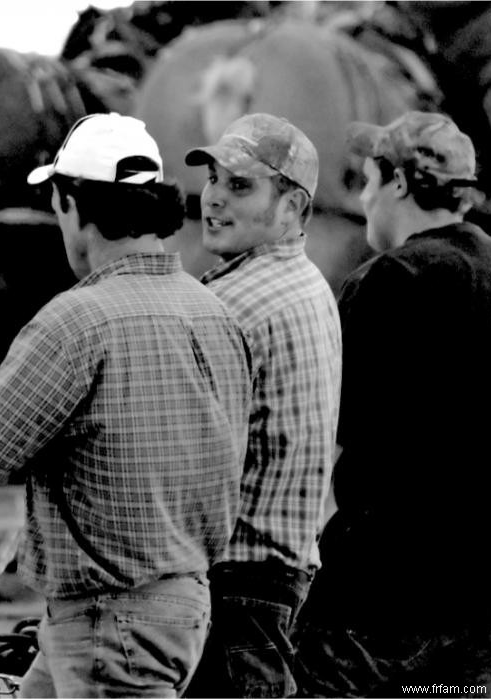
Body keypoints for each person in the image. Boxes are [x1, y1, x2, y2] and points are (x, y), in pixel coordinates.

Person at [0, 113, 253, 698]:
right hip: (181, 605)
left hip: (107, 624)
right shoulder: (216, 313)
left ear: (70, 202)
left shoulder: (74, 322)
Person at [292, 111, 491, 697]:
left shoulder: (389, 279)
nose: (364, 203)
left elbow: (323, 432)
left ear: (399, 184)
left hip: (379, 599)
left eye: (366, 182)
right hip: (485, 606)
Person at [181, 113, 343, 698]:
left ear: (294, 207)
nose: (214, 200)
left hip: (234, 586)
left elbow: (183, 460)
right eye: (214, 179)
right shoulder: (309, 284)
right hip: (279, 579)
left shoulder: (230, 304)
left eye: (240, 185)